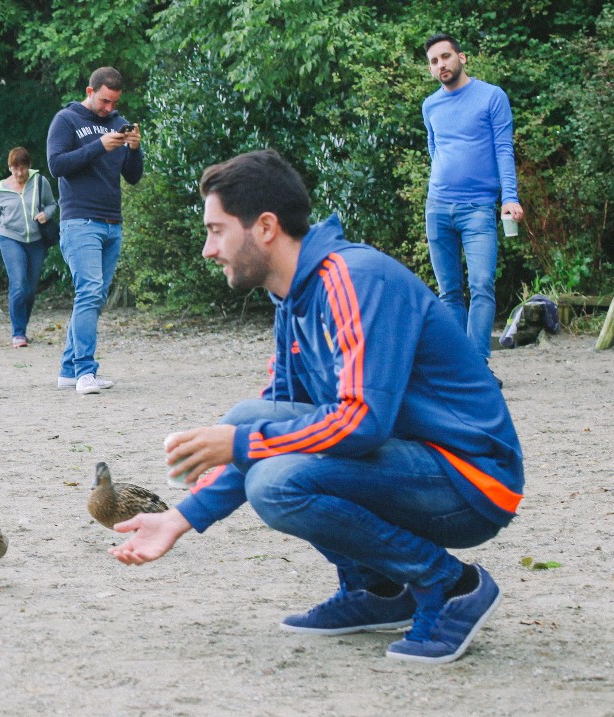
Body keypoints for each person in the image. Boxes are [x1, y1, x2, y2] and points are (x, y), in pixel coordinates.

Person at [110, 150, 523, 665]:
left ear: (264, 227)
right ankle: (378, 589)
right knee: (247, 420)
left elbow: (361, 422)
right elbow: (275, 414)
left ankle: (450, 585)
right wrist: (179, 517)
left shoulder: (354, 279)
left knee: (275, 483)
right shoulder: (295, 297)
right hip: (412, 461)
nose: (207, 249)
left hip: (470, 478)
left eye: (216, 230)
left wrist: (240, 445)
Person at [421, 33, 523, 370]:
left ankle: (477, 366)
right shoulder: (430, 105)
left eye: (446, 57)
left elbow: (503, 149)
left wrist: (509, 197)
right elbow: (434, 149)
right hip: (437, 208)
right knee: (449, 293)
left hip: (478, 208)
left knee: (481, 286)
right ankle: (459, 369)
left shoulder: (492, 97)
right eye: (434, 61)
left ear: (462, 58)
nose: (441, 65)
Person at [46, 66, 143, 394]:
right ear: (90, 92)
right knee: (88, 292)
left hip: (112, 222)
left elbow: (133, 176)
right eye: (104, 101)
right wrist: (100, 145)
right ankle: (86, 371)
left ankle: (68, 370)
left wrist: (133, 148)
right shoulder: (66, 120)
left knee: (95, 297)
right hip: (79, 221)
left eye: (114, 103)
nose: (109, 109)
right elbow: (56, 165)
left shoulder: (117, 122)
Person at [0, 147, 58, 347]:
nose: (19, 173)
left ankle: (23, 328)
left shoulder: (40, 182)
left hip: (36, 240)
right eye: (15, 169)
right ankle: (18, 333)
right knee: (19, 284)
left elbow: (52, 204)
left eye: (23, 168)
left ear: (29, 166)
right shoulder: (1, 190)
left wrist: (46, 214)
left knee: (30, 288)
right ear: (10, 167)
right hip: (10, 238)